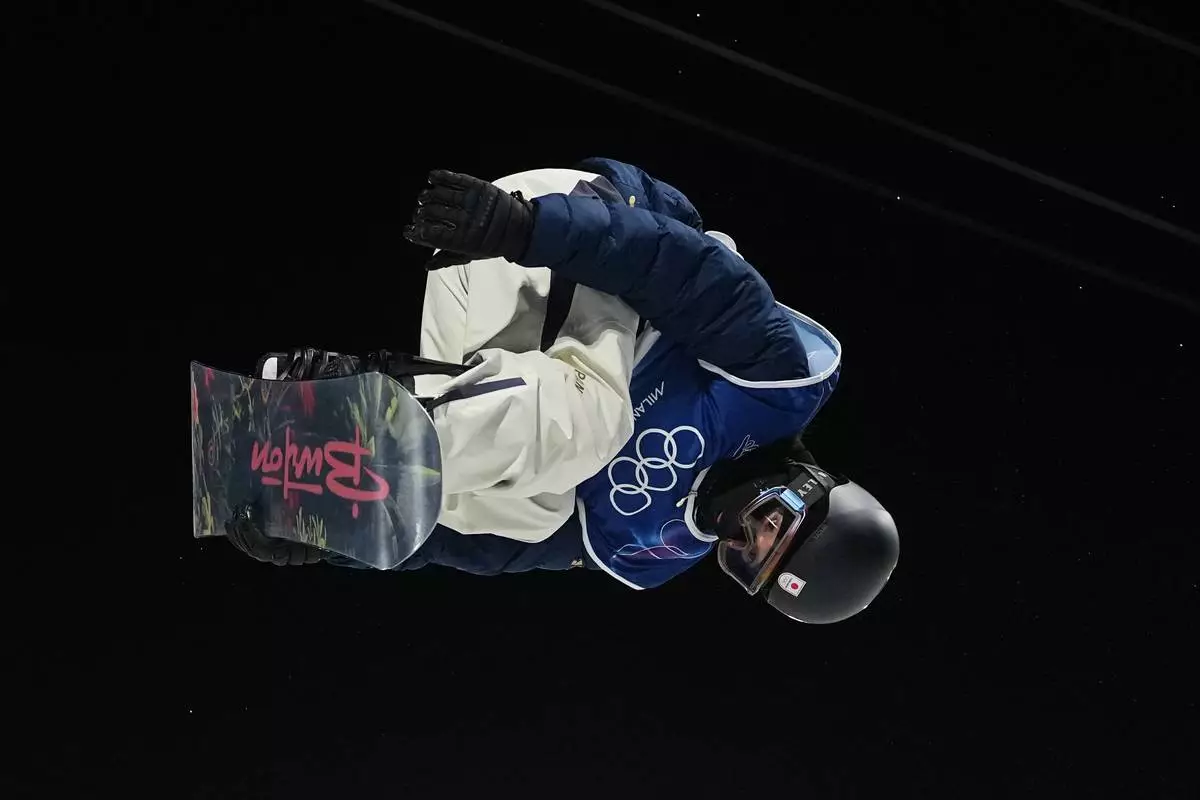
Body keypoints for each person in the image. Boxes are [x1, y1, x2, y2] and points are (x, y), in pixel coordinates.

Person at [224, 158, 899, 623]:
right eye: (774, 522)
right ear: (811, 483)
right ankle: (372, 433)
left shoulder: (651, 548)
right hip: (567, 235)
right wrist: (527, 227)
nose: (743, 533)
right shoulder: (776, 382)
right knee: (591, 424)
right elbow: (678, 269)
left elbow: (489, 545)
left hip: (501, 346)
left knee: (533, 512)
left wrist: (336, 539)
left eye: (748, 561)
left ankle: (336, 463)